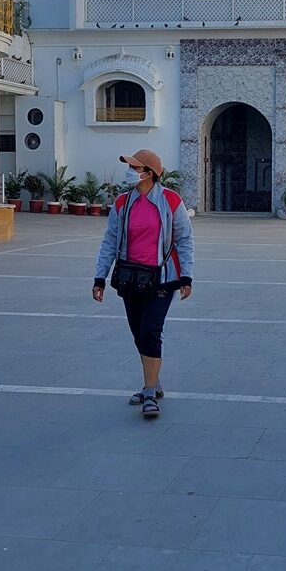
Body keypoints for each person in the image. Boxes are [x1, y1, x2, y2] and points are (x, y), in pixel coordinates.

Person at [92, 148, 193, 418]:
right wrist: (99, 277)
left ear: (149, 173)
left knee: (150, 330)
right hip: (130, 278)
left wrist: (186, 277)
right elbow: (110, 241)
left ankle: (149, 392)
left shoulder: (171, 201)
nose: (130, 171)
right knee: (138, 332)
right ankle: (154, 381)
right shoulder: (123, 203)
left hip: (162, 279)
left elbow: (184, 240)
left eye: (134, 167)